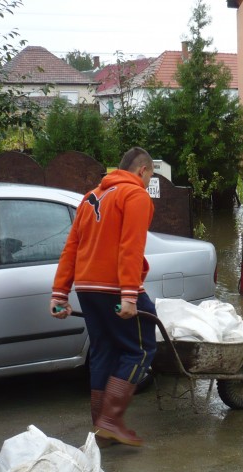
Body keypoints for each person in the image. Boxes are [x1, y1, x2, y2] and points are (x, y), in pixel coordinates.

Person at [49, 147, 157, 447]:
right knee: (141, 349)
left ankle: (101, 426)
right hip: (114, 288)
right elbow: (131, 247)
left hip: (87, 288)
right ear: (142, 171)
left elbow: (71, 247)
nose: (148, 184)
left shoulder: (90, 197)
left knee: (103, 351)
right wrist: (130, 294)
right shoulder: (136, 196)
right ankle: (111, 420)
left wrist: (60, 293)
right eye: (149, 177)